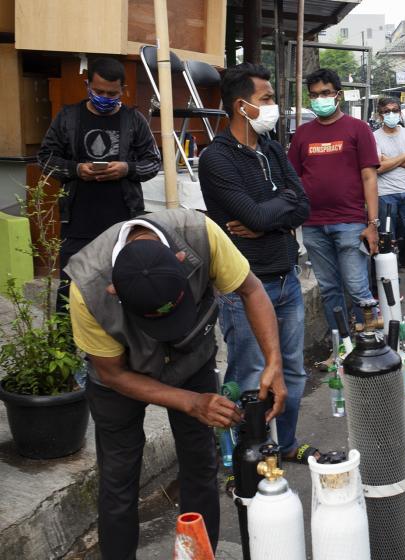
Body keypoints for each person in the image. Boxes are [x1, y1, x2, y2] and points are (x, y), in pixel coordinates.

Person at [66, 208, 285, 558]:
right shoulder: (88, 289)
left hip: (191, 358)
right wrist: (191, 402)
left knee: (200, 464)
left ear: (182, 261)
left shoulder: (201, 235)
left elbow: (251, 289)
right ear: (114, 291)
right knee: (118, 481)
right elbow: (113, 374)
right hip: (119, 378)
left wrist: (274, 361)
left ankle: (198, 555)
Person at [198, 63, 316, 465]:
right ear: (241, 105)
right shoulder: (216, 158)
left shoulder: (272, 149)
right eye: (266, 99)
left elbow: (302, 204)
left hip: (287, 280)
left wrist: (269, 217)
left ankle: (283, 445)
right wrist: (273, 216)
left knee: (292, 373)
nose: (274, 106)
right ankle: (241, 459)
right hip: (245, 288)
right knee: (249, 378)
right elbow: (260, 216)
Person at [38, 57, 160, 311]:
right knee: (71, 290)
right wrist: (76, 169)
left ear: (123, 90)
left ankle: (120, 347)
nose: (105, 97)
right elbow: (45, 158)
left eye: (112, 93)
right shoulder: (68, 117)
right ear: (87, 86)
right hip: (76, 223)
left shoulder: (133, 120)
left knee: (122, 288)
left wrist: (126, 169)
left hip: (123, 223)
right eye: (99, 92)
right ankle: (66, 345)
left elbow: (153, 163)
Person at [288, 68, 380, 336]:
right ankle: (340, 347)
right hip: (313, 225)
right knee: (329, 289)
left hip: (350, 223)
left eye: (325, 93)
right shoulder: (303, 134)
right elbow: (293, 180)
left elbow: (369, 177)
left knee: (357, 286)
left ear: (337, 95)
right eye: (314, 95)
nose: (320, 99)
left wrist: (372, 223)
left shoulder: (358, 129)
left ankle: (372, 346)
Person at [373, 97, 405, 289]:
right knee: (387, 239)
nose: (391, 114)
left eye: (395, 110)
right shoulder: (375, 136)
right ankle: (391, 281)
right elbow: (378, 167)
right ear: (380, 114)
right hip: (385, 194)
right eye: (387, 111)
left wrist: (391, 160)